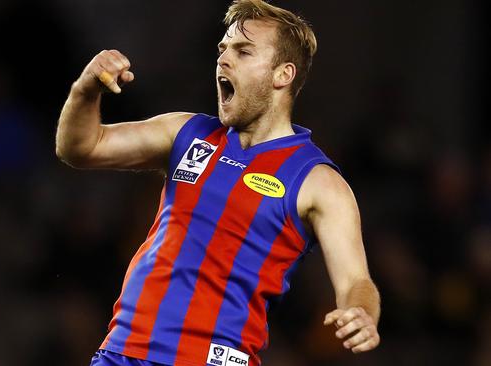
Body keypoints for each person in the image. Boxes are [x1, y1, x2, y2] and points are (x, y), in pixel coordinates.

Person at [56, 1, 380, 365]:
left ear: (283, 74)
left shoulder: (318, 181)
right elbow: (80, 148)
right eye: (222, 49)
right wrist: (85, 90)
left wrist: (362, 313)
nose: (224, 60)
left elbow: (356, 282)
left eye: (243, 51)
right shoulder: (186, 132)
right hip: (123, 353)